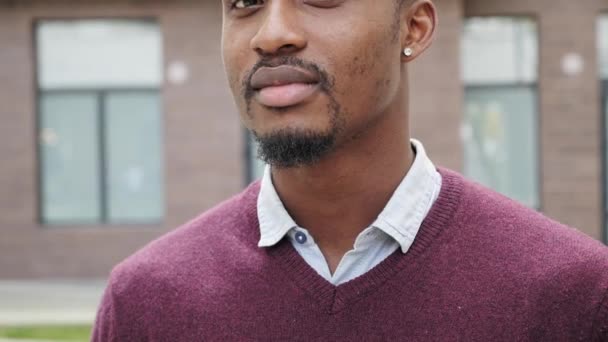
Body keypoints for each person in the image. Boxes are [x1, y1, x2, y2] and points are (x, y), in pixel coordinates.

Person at [92, 0, 608, 340]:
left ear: (414, 26)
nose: (272, 34)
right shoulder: (146, 304)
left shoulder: (573, 297)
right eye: (245, 1)